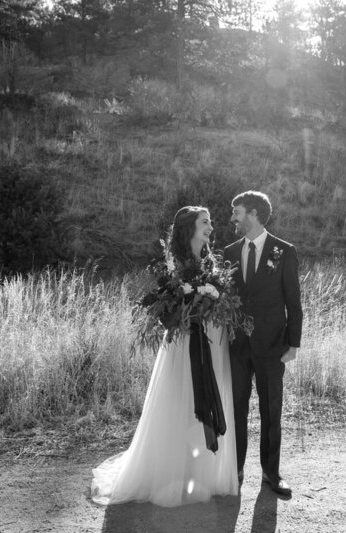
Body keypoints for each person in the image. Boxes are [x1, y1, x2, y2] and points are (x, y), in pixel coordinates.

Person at [90, 206, 238, 507]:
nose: (211, 226)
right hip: (185, 342)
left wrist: (213, 302)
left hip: (211, 340)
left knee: (209, 394)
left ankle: (205, 475)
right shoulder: (177, 266)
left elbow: (219, 298)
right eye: (204, 222)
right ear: (189, 228)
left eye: (210, 221)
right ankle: (173, 476)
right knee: (179, 401)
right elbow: (168, 309)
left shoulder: (211, 263)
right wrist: (191, 304)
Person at [224, 191, 302, 497]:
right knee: (237, 408)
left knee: (272, 411)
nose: (233, 218)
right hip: (237, 346)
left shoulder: (284, 251)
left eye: (237, 212)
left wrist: (293, 344)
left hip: (272, 346)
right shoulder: (229, 252)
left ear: (254, 214)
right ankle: (236, 469)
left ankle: (272, 473)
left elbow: (294, 303)